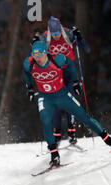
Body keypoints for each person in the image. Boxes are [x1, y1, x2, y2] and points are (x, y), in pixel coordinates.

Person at [23, 41, 111, 167]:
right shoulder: (29, 63)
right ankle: (54, 155)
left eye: (40, 55)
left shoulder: (57, 59)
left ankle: (107, 139)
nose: (37, 58)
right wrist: (30, 88)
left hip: (62, 95)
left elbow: (70, 63)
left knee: (84, 117)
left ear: (46, 53)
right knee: (46, 121)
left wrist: (75, 82)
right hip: (45, 97)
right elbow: (25, 72)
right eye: (34, 55)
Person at [36, 16, 91, 145]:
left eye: (58, 33)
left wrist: (79, 38)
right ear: (50, 31)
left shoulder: (68, 34)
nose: (56, 36)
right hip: (55, 74)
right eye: (53, 33)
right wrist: (34, 42)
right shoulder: (45, 37)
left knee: (70, 100)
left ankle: (71, 130)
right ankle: (57, 133)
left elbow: (87, 49)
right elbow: (35, 52)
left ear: (61, 29)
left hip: (69, 72)